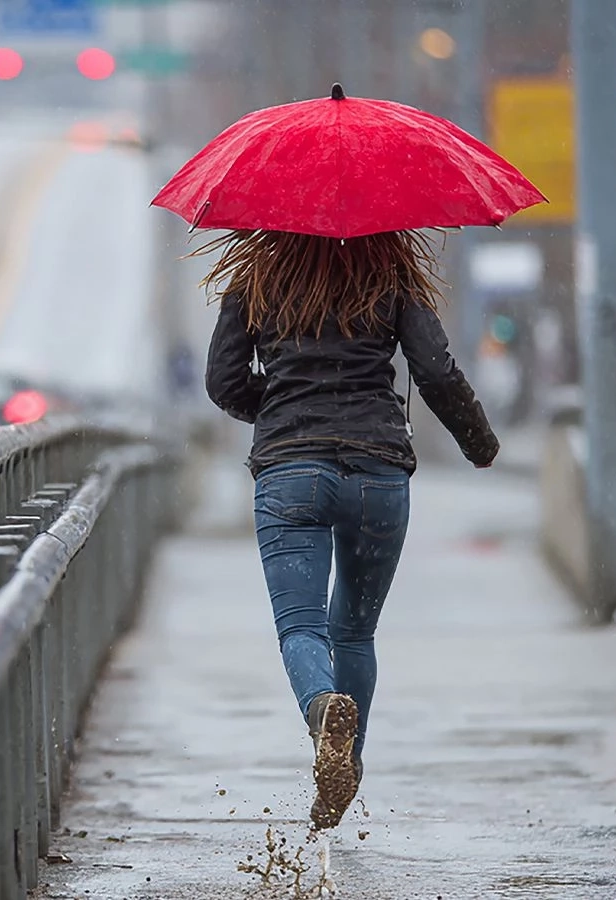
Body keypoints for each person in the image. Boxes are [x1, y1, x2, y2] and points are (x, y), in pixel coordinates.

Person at [200, 229, 498, 831]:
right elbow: (435, 372)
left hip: (291, 473)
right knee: (356, 632)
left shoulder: (257, 277)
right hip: (378, 474)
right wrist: (479, 442)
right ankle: (346, 763)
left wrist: (284, 406)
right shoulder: (391, 273)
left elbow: (223, 381)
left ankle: (321, 713)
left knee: (301, 627)